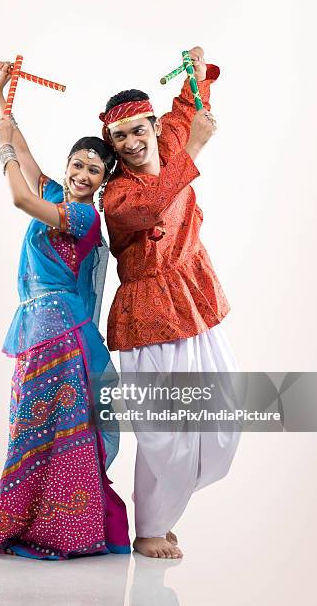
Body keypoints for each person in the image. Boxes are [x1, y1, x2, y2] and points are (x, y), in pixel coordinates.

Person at [0, 62, 130, 560]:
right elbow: (23, 153)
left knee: (52, 433)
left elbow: (18, 193)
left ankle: (68, 532)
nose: (81, 175)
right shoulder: (56, 193)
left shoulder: (81, 216)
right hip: (39, 329)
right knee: (29, 427)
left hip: (61, 337)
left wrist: (1, 149)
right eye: (76, 164)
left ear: (103, 181)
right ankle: (34, 526)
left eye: (93, 170)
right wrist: (2, 101)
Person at [99, 47, 240, 559]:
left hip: (194, 300)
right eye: (121, 137)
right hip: (147, 316)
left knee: (222, 416)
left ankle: (170, 506)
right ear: (113, 145)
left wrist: (198, 71)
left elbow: (189, 104)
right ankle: (150, 528)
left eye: (140, 129)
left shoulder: (170, 140)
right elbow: (156, 202)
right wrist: (196, 150)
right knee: (164, 433)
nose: (134, 142)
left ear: (153, 127)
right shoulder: (116, 195)